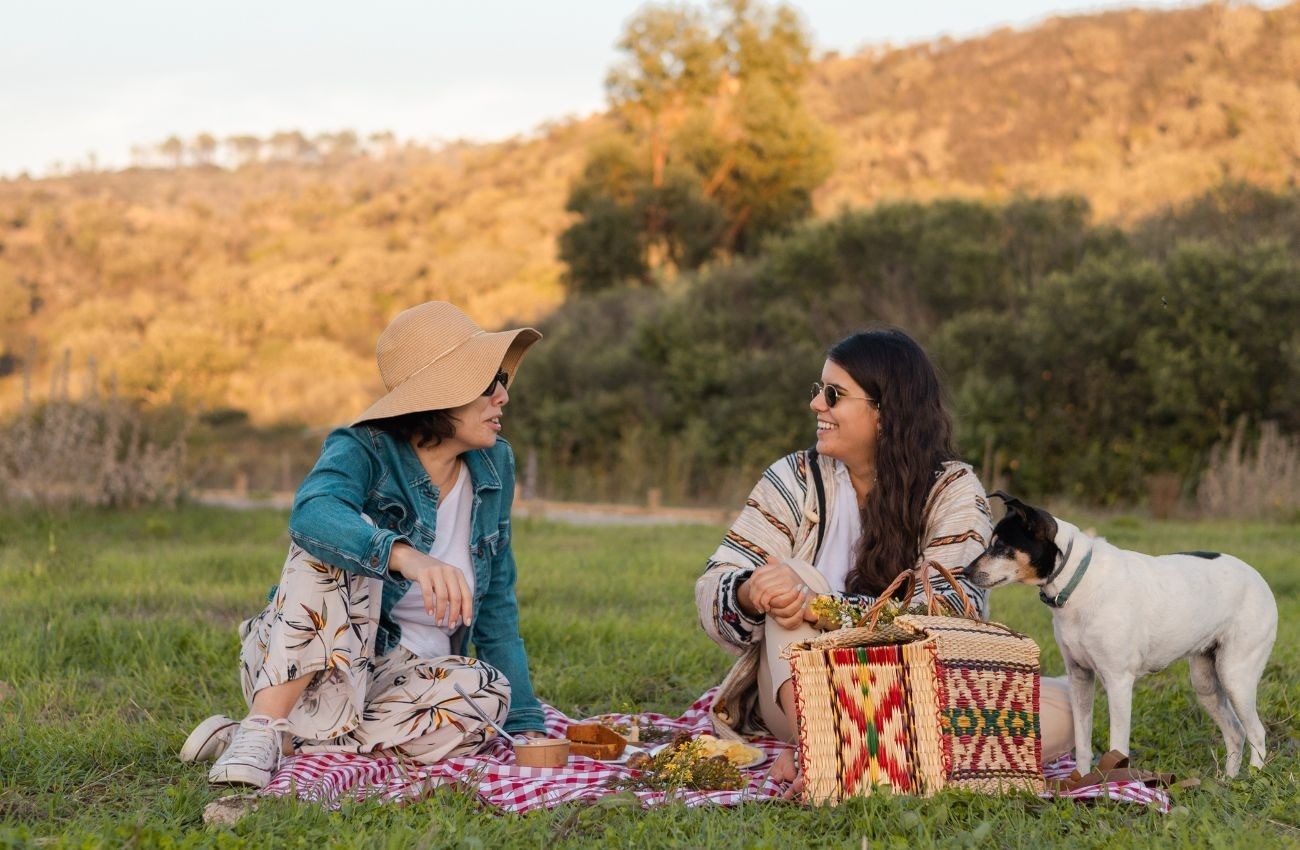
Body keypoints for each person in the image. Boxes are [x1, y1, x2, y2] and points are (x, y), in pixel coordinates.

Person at [180, 301, 547, 787]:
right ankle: (268, 721)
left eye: (500, 379)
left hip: (404, 679)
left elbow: (497, 600)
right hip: (306, 668)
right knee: (326, 553)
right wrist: (403, 556)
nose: (502, 396)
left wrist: (524, 726)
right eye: (486, 383)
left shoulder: (495, 464)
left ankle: (273, 741)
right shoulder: (361, 447)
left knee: (486, 692)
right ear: (440, 396)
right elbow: (312, 514)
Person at [694, 326, 1073, 788]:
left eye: (833, 394)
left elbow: (953, 610)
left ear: (885, 412)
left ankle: (852, 758)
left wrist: (827, 609)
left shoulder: (952, 490)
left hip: (919, 695)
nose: (817, 404)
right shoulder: (792, 477)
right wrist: (750, 592)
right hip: (804, 697)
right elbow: (714, 584)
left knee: (1072, 707)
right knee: (789, 577)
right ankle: (845, 750)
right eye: (819, 391)